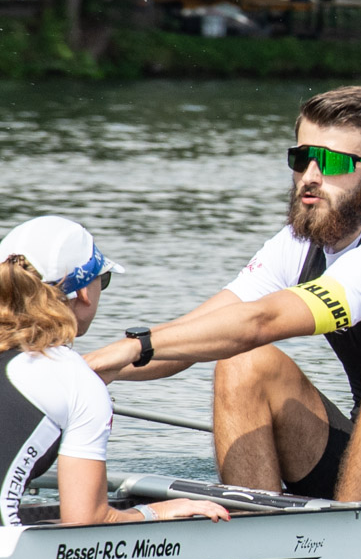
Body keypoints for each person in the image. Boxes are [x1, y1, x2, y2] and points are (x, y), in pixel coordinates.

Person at [85, 86, 361, 504]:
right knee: (239, 359)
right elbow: (191, 337)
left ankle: (345, 536)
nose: (310, 176)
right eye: (302, 158)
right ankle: (250, 529)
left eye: (332, 163)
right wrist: (86, 367)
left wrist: (134, 346)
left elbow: (261, 322)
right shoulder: (296, 245)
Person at [1, 219, 228, 527]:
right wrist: (159, 510)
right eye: (103, 280)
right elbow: (87, 522)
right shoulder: (75, 379)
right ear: (84, 293)